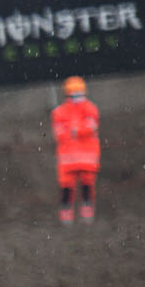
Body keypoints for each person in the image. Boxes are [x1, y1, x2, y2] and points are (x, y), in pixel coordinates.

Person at [52, 75, 101, 224]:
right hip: (72, 158)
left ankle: (84, 212)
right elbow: (60, 132)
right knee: (69, 186)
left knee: (85, 184)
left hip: (81, 157)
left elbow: (90, 127)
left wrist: (74, 130)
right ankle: (68, 213)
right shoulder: (61, 112)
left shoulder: (89, 109)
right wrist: (77, 130)